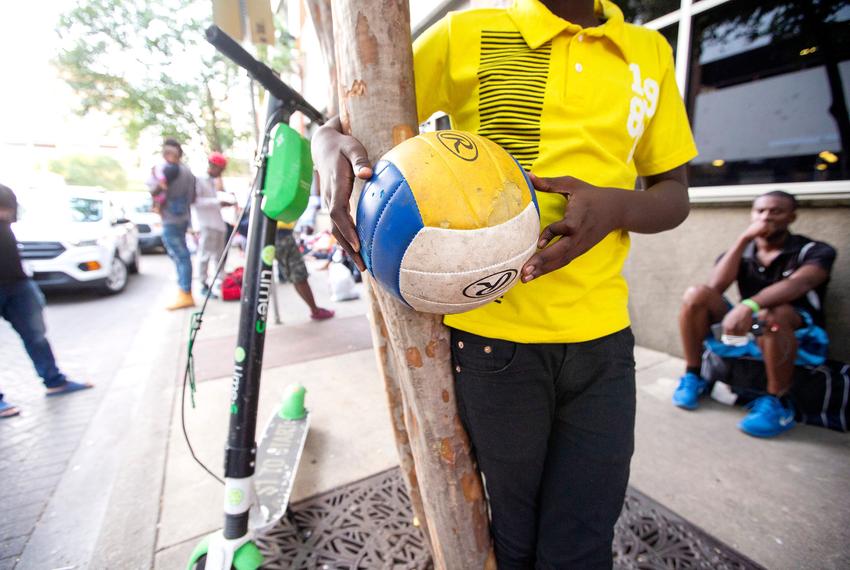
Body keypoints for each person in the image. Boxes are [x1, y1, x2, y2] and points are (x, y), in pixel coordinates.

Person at [312, 0, 696, 567]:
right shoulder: (469, 31)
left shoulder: (649, 51)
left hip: (602, 341)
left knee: (586, 531)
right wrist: (325, 142)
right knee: (514, 529)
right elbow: (348, 113)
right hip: (492, 340)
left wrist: (616, 206)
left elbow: (674, 194)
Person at [675, 191, 836, 437]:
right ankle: (694, 376)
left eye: (776, 211)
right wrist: (743, 240)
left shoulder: (814, 251)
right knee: (696, 295)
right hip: (744, 335)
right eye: (760, 211)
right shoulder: (742, 252)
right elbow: (715, 287)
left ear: (792, 216)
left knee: (771, 314)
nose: (766, 217)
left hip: (794, 334)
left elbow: (799, 284)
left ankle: (777, 402)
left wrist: (748, 306)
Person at [0, 184, 93, 418]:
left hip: (16, 281)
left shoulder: (4, 193)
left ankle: (55, 381)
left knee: (36, 335)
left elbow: (11, 214)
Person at [148, 138, 197, 310]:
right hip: (182, 216)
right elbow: (192, 198)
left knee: (180, 255)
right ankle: (184, 291)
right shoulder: (188, 172)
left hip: (172, 218)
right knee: (181, 254)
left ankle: (185, 292)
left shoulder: (169, 170)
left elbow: (155, 190)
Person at [274, 220, 335, 321]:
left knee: (296, 277)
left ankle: (314, 310)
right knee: (299, 275)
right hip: (281, 234)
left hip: (279, 234)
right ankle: (315, 310)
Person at [193, 152, 229, 298]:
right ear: (213, 166)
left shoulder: (212, 182)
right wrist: (217, 202)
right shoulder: (199, 180)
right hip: (207, 224)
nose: (220, 173)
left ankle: (219, 282)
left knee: (219, 256)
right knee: (205, 255)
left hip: (218, 224)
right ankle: (203, 284)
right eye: (219, 169)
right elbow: (196, 202)